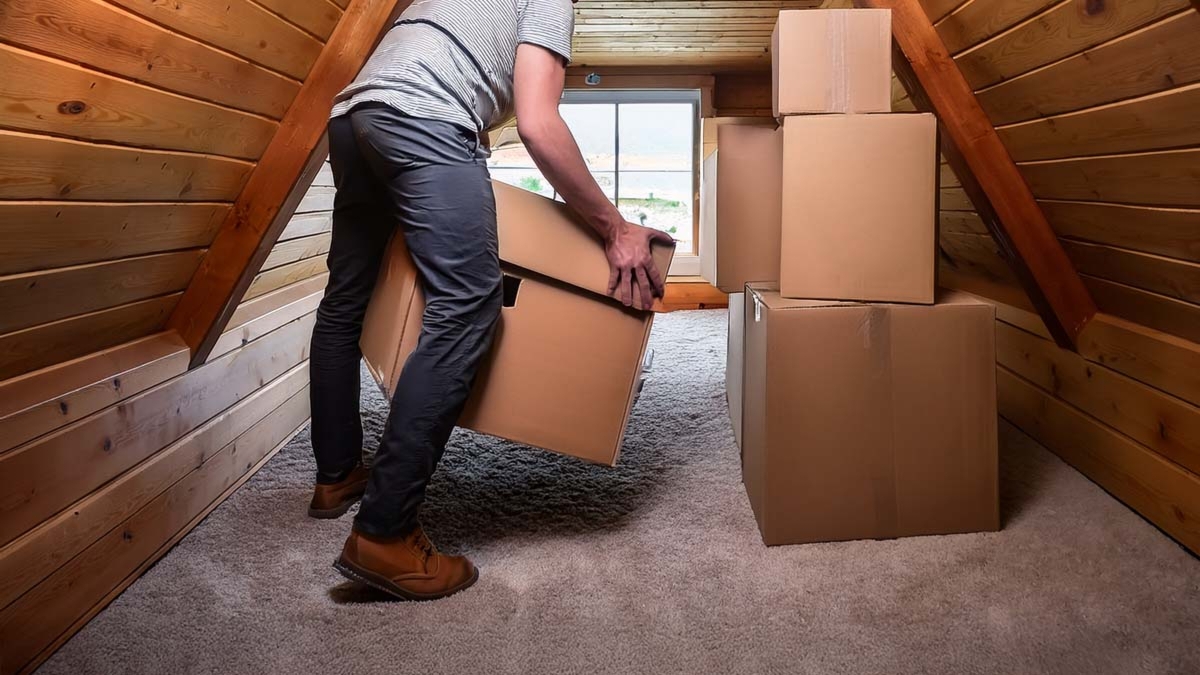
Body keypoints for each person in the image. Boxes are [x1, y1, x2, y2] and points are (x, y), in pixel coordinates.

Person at [307, 0, 673, 601]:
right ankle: (384, 532)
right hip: (422, 117)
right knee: (469, 305)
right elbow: (538, 122)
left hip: (354, 116)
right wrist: (614, 227)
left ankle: (336, 474)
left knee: (346, 298)